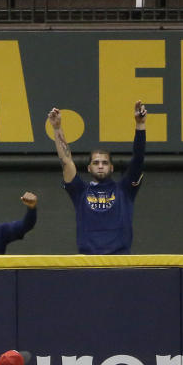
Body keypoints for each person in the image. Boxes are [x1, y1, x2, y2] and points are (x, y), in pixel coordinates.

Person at [47, 101, 146, 255]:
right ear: (89, 168)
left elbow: (138, 159)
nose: (100, 166)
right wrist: (57, 128)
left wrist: (140, 125)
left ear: (111, 167)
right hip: (87, 263)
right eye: (96, 162)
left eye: (105, 163)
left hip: (121, 261)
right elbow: (66, 161)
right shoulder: (80, 191)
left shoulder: (125, 190)